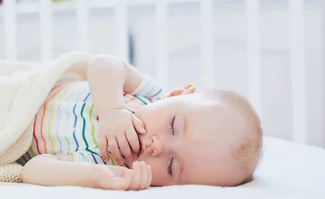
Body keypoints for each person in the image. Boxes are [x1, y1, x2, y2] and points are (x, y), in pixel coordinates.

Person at [20, 54, 263, 190]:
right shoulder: (151, 96)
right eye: (173, 126)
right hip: (26, 92)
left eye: (171, 166)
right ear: (177, 95)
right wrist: (112, 110)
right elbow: (104, 63)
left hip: (9, 128)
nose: (157, 146)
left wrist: (94, 176)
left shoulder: (109, 161)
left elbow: (32, 170)